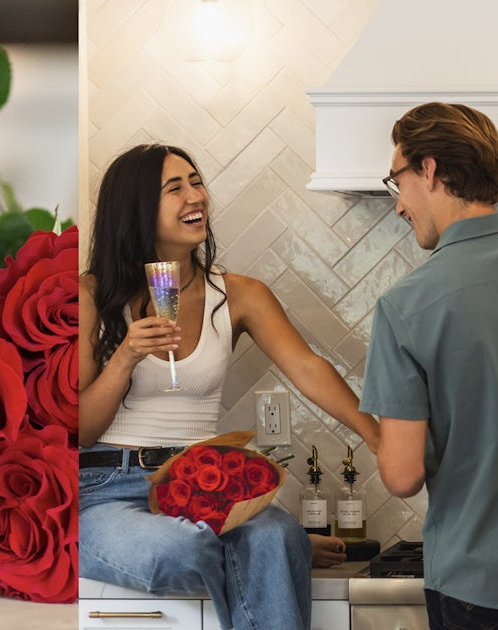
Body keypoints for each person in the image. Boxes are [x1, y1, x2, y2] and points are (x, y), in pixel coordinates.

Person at [78, 143, 382, 630]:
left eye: (196, 182)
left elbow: (307, 366)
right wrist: (125, 356)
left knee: (274, 538)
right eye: (174, 188)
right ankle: (284, 548)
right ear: (135, 207)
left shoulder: (238, 294)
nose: (195, 195)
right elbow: (82, 430)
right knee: (184, 549)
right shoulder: (91, 296)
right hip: (109, 489)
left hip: (203, 484)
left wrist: (376, 434)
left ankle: (282, 545)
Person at [361, 102, 498, 628]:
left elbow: (402, 475)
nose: (399, 204)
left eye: (396, 180)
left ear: (428, 170)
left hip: (479, 584)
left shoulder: (407, 306)